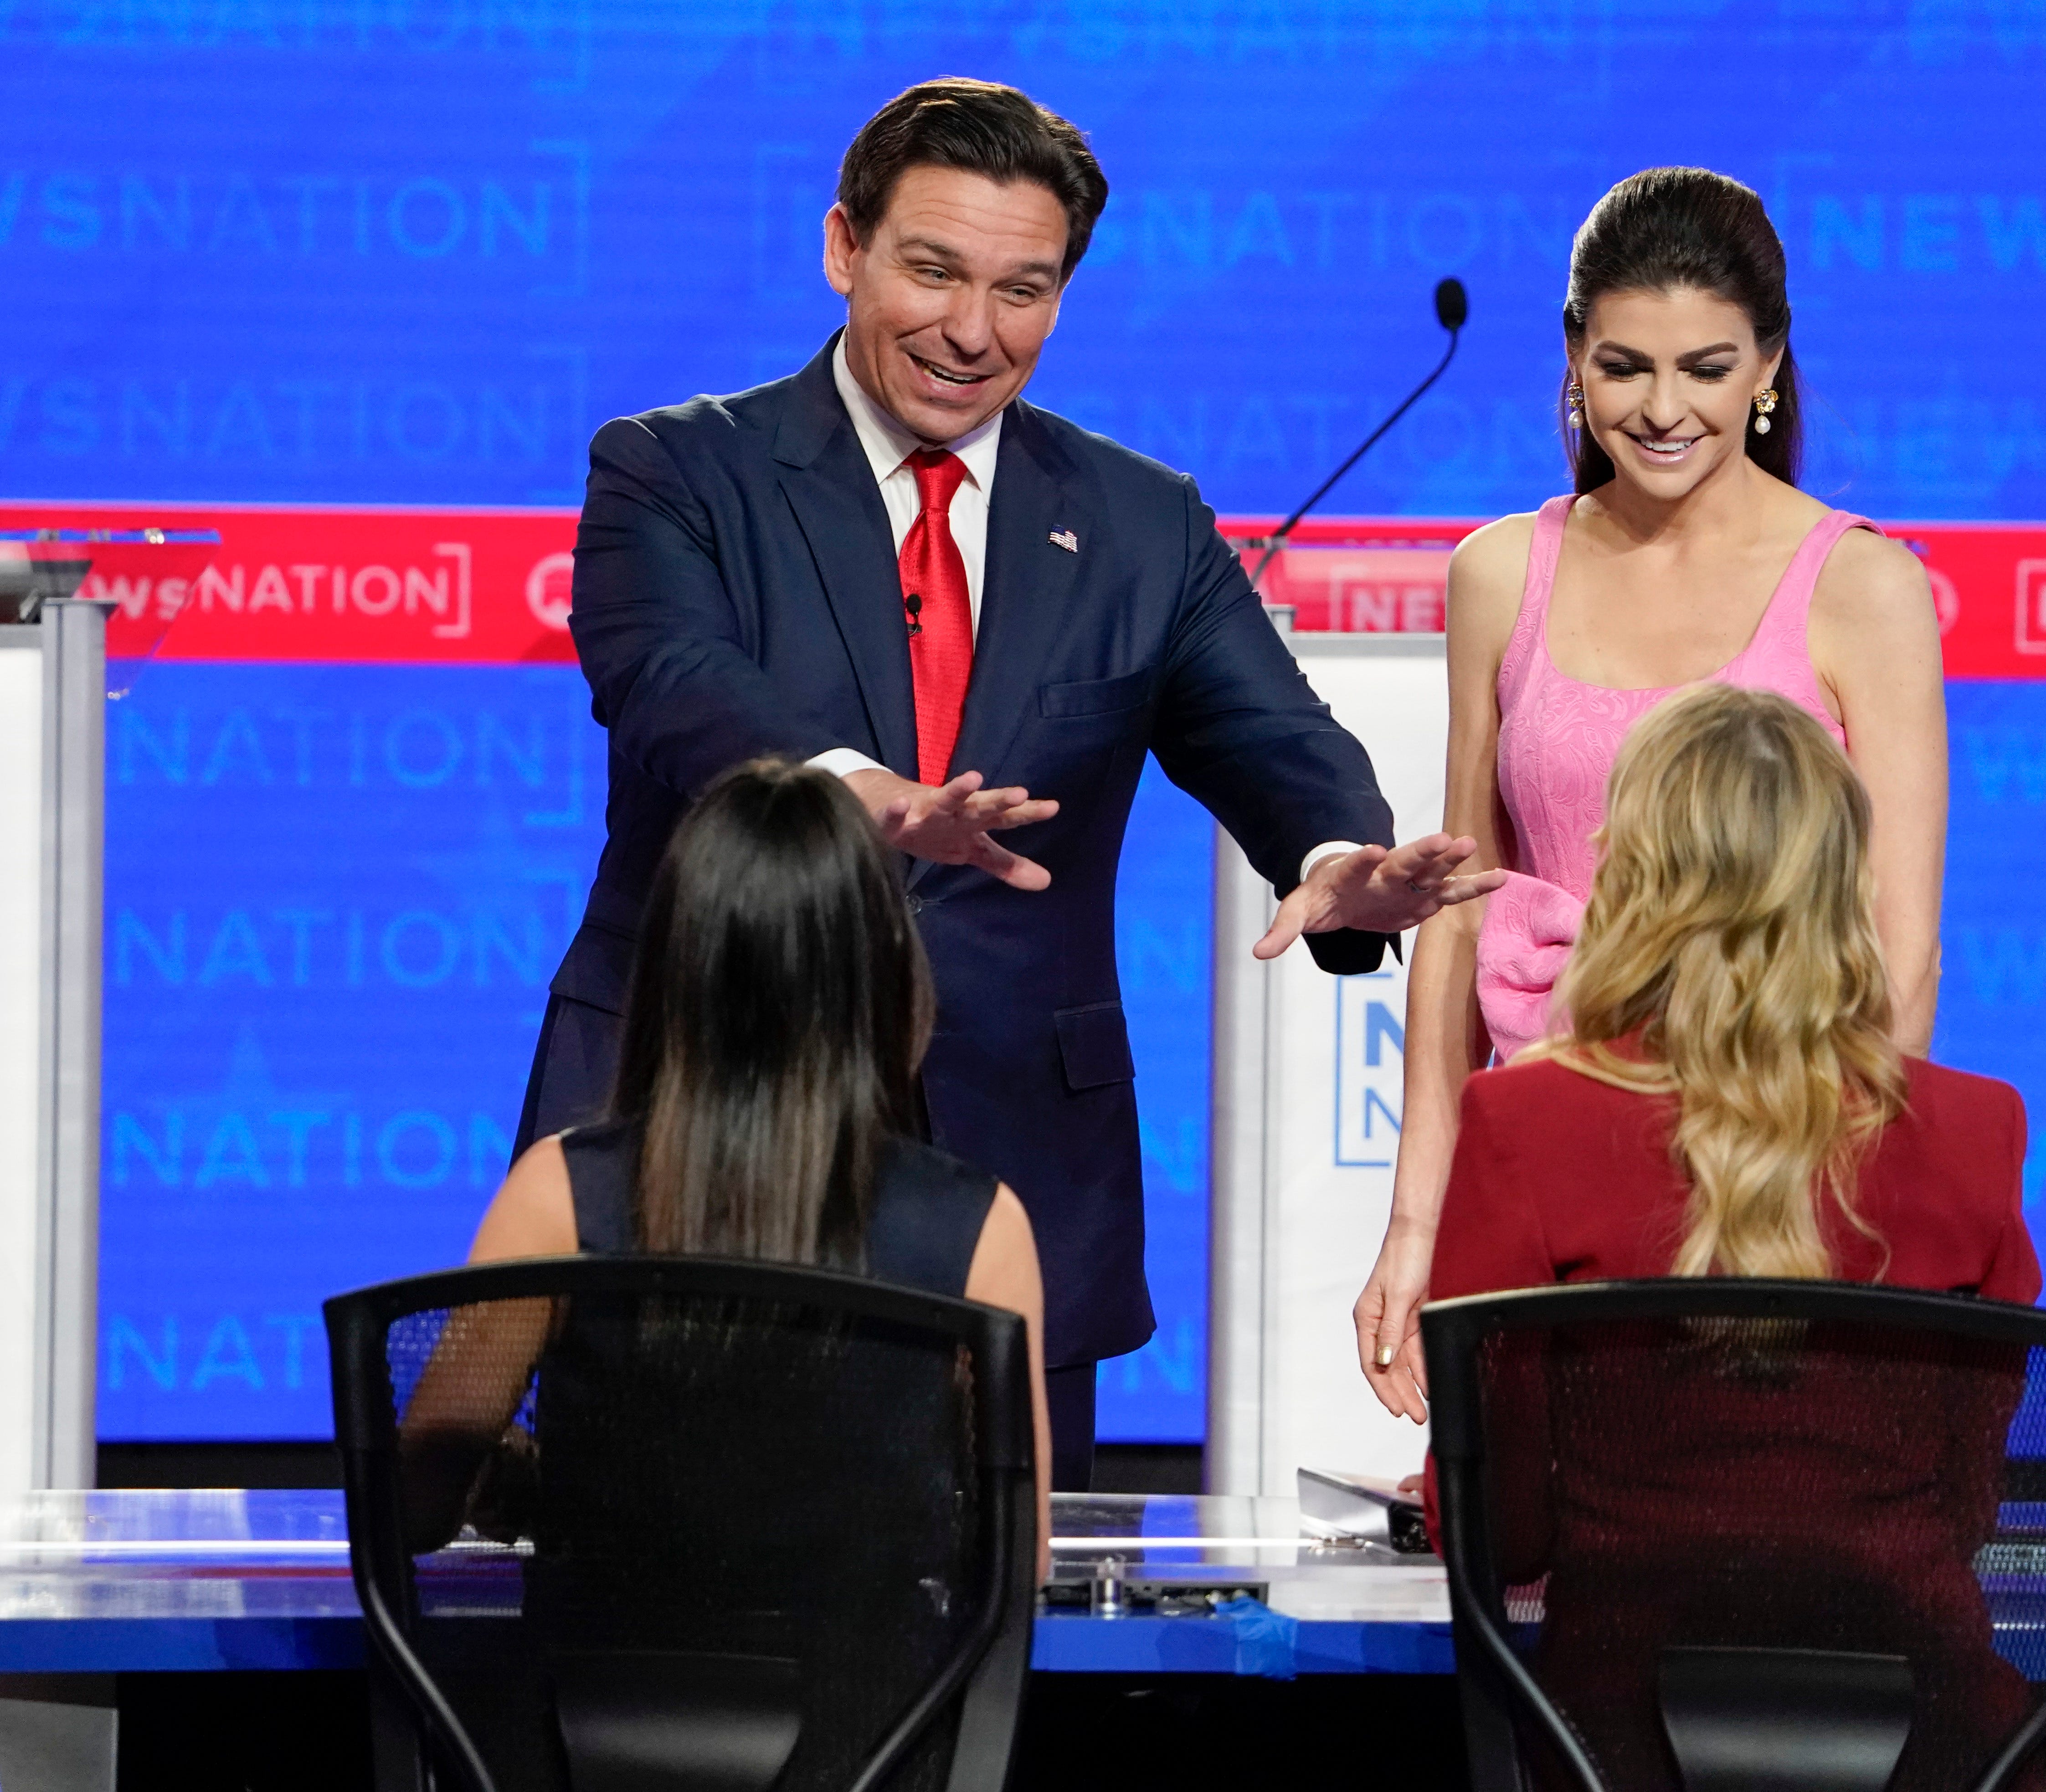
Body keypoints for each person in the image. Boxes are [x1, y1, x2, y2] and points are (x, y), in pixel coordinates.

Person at [515, 77, 1497, 1487]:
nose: (972, 331)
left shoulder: (1139, 522)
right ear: (842, 246)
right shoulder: (677, 471)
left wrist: (1336, 858)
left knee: (1006, 1630)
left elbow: (1273, 733)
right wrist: (863, 793)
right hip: (691, 1122)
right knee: (650, 1583)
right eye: (932, 270)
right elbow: (673, 683)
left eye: (1021, 290)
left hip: (1011, 1169)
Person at [1358, 165, 1948, 1420]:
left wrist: (1839, 1201)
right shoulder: (1499, 570)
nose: (1664, 408)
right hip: (1544, 1154)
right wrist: (1418, 1217)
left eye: (1707, 368)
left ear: (1769, 366)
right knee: (1532, 1530)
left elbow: (1901, 948)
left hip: (1780, 1161)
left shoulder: (1864, 585)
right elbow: (1459, 910)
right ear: (1573, 359)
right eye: (1625, 366)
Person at [1421, 683, 2040, 1792]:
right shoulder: (1975, 1128)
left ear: (1630, 877)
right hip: (1933, 1747)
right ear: (1846, 882)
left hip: (1611, 1742)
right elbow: (1966, 1506)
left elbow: (1495, 1526)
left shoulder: (1526, 1119)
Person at [458, 756, 1053, 1564]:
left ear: (671, 963)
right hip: (885, 1693)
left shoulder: (558, 1192)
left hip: (602, 1687)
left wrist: (538, 1484)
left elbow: (424, 1492)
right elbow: (1021, 1548)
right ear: (885, 967)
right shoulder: (982, 1226)